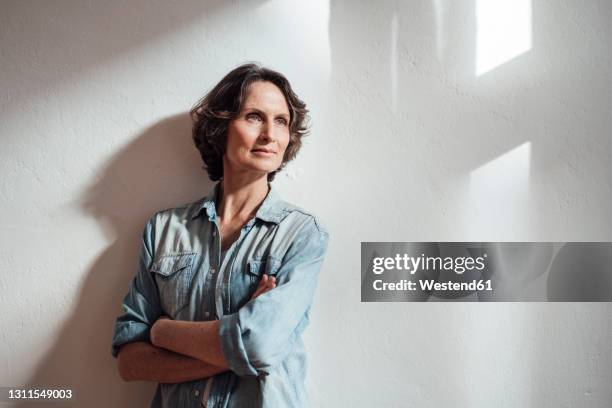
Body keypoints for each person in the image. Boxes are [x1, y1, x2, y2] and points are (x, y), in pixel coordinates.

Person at [110, 62, 330, 408]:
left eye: (281, 121)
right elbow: (130, 360)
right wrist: (237, 339)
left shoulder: (301, 234)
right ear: (221, 128)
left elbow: (259, 346)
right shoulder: (164, 230)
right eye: (254, 117)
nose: (270, 134)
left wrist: (162, 332)